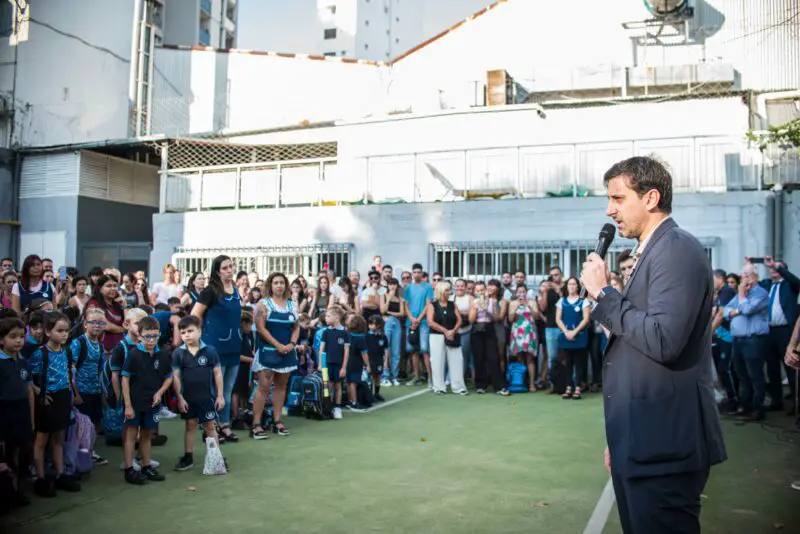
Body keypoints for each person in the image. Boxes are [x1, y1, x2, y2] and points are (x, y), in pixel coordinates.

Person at [580, 156, 726, 534]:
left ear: (650, 198)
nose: (609, 209)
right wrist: (623, 436)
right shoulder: (652, 250)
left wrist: (604, 294)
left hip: (666, 445)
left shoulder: (675, 249)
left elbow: (664, 340)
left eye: (617, 198)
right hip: (643, 439)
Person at [121, 316, 172, 485]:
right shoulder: (134, 354)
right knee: (131, 434)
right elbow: (125, 379)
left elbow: (169, 377)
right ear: (139, 335)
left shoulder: (162, 354)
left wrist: (160, 393)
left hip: (152, 403)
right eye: (147, 336)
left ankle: (146, 465)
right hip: (134, 402)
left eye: (155, 336)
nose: (151, 340)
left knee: (146, 434)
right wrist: (128, 405)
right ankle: (129, 469)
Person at [171, 315, 225, 472]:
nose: (186, 335)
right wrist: (180, 398)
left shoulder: (210, 351)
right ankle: (188, 457)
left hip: (207, 397)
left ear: (199, 331)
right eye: (183, 332)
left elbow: (218, 374)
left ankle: (216, 456)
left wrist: (220, 395)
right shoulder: (178, 353)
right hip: (188, 398)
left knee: (210, 426)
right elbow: (175, 376)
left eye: (190, 331)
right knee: (190, 425)